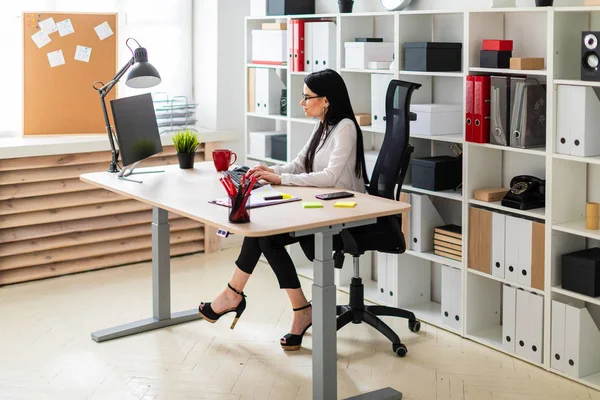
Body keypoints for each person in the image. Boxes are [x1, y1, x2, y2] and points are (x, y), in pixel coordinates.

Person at [198, 68, 368, 351]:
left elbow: (330, 176)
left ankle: (237, 297)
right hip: (320, 207)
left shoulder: (346, 128)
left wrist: (281, 179)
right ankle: (292, 308)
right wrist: (269, 171)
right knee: (264, 234)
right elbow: (300, 164)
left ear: (326, 100)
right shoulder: (322, 125)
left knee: (266, 236)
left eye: (307, 97)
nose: (302, 103)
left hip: (345, 214)